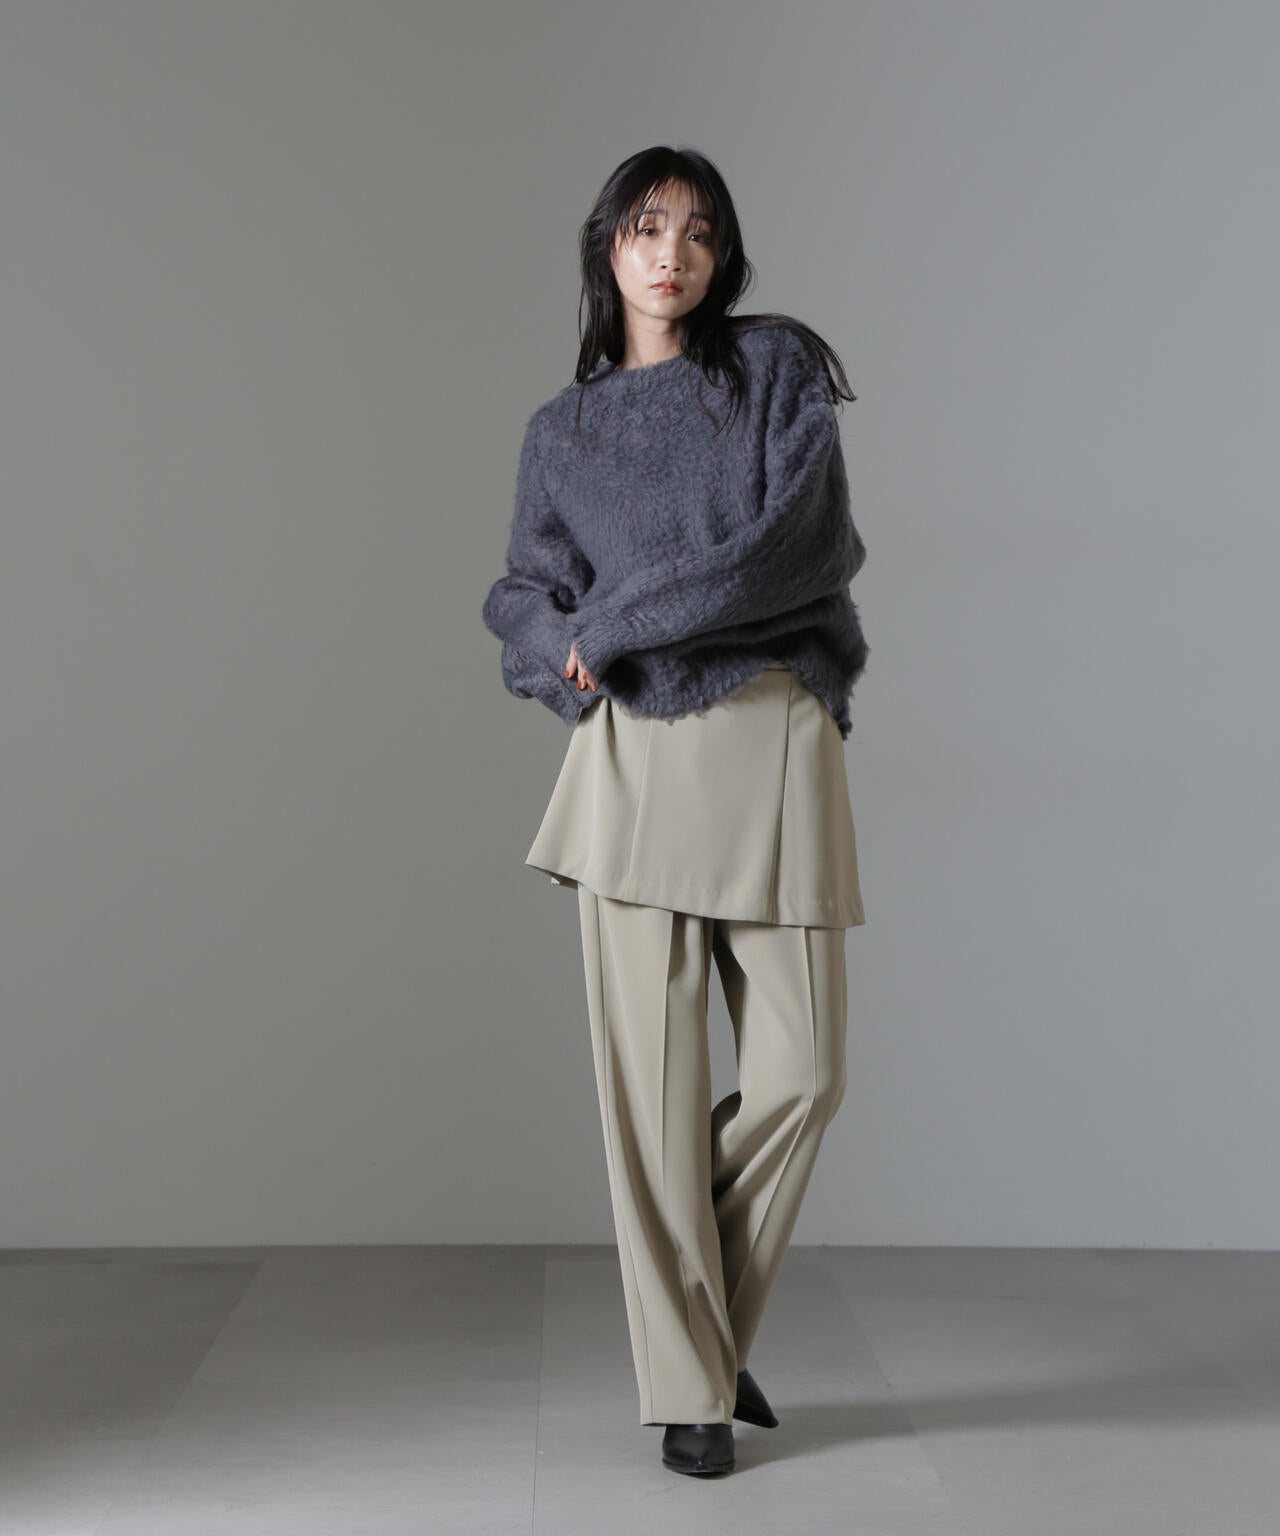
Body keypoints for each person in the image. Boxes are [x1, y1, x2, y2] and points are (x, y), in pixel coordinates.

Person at [481, 145, 870, 1478]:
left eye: (700, 232)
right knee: (651, 1098)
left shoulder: (774, 371)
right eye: (648, 227)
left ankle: (687, 1310)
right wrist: (559, 645)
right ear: (608, 245)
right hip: (635, 763)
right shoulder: (562, 433)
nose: (673, 254)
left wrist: (612, 623)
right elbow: (520, 591)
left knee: (804, 1077)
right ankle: (689, 1385)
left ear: (723, 256)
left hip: (775, 738)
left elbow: (800, 551)